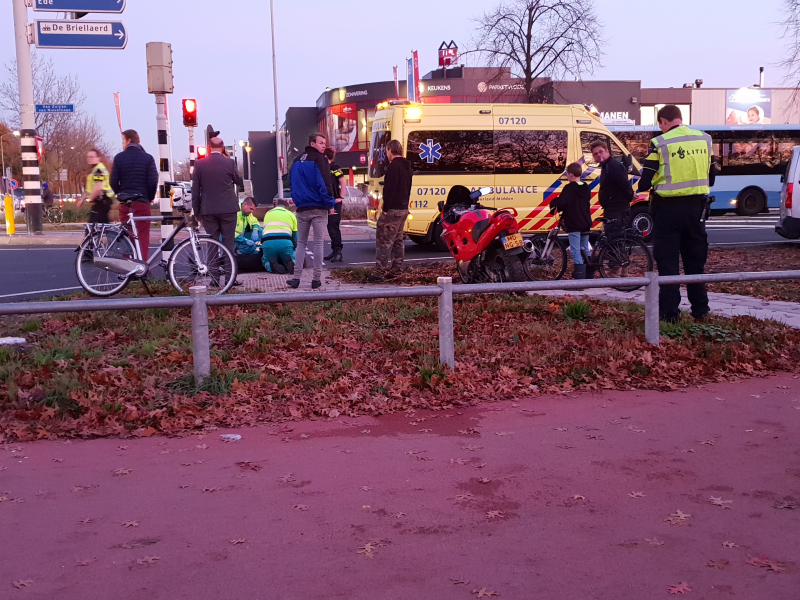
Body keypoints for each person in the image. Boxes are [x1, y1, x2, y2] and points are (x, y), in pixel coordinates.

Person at [638, 104, 715, 323]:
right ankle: (701, 311)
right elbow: (711, 178)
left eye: (659, 124)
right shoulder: (705, 140)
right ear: (680, 119)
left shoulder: (659, 143)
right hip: (697, 210)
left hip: (668, 211)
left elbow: (644, 183)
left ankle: (670, 314)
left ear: (663, 121)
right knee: (695, 263)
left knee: (668, 264)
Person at [286, 132, 335, 290]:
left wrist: (298, 200)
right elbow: (324, 184)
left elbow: (292, 185)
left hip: (302, 208)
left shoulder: (296, 161)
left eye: (324, 143)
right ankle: (316, 279)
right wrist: (330, 203)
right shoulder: (320, 160)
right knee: (319, 243)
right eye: (321, 143)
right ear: (312, 143)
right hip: (319, 207)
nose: (323, 146)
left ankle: (296, 278)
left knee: (301, 243)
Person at [192, 136, 244, 285]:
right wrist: (228, 159)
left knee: (212, 244)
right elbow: (239, 181)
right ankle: (230, 279)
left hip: (208, 210)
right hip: (228, 208)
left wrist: (197, 212)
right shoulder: (229, 162)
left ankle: (214, 280)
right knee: (228, 243)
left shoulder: (199, 164)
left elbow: (195, 191)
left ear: (209, 148)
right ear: (222, 148)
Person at [366, 139, 412, 283]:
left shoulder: (393, 167)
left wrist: (385, 209)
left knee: (384, 241)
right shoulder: (407, 166)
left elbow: (390, 190)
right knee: (398, 240)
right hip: (403, 208)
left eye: (386, 151)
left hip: (392, 209)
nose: (386, 154)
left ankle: (378, 273)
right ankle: (396, 269)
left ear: (390, 150)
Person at [110, 134, 158, 258]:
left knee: (127, 234)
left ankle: (128, 267)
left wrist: (120, 194)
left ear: (129, 140)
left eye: (123, 140)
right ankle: (141, 268)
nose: (123, 143)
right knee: (142, 235)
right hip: (142, 201)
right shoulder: (148, 158)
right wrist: (149, 197)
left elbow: (113, 181)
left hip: (125, 203)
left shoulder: (119, 158)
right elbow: (153, 181)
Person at [550, 162, 592, 279]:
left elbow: (563, 203)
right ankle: (589, 276)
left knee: (575, 250)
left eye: (567, 174)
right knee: (585, 248)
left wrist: (554, 203)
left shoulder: (569, 188)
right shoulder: (586, 187)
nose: (567, 176)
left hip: (574, 223)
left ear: (571, 175)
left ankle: (579, 279)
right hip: (585, 222)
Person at [591, 140, 633, 242]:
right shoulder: (606, 166)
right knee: (611, 241)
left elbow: (624, 184)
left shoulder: (613, 166)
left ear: (607, 152)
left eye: (600, 152)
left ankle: (617, 258)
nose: (598, 155)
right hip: (612, 209)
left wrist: (630, 196)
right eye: (595, 154)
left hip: (617, 210)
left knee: (615, 241)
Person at [261, 198, 298, 274]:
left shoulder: (268, 213)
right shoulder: (290, 214)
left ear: (276, 205)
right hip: (286, 243)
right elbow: (295, 236)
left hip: (268, 243)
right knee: (293, 257)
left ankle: (270, 266)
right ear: (286, 207)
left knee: (265, 260)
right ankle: (292, 263)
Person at [79, 149, 115, 226]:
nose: (89, 158)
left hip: (102, 200)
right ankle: (114, 237)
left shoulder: (98, 170)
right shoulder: (94, 169)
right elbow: (90, 188)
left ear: (98, 158)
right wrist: (82, 199)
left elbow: (98, 187)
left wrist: (91, 199)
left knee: (92, 227)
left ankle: (115, 237)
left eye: (92, 157)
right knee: (104, 226)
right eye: (88, 157)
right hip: (101, 201)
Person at [323, 147, 346, 263]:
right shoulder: (325, 168)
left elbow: (343, 182)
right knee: (330, 226)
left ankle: (338, 252)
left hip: (335, 202)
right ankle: (334, 250)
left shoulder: (334, 168)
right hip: (328, 201)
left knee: (334, 227)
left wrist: (340, 198)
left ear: (325, 156)